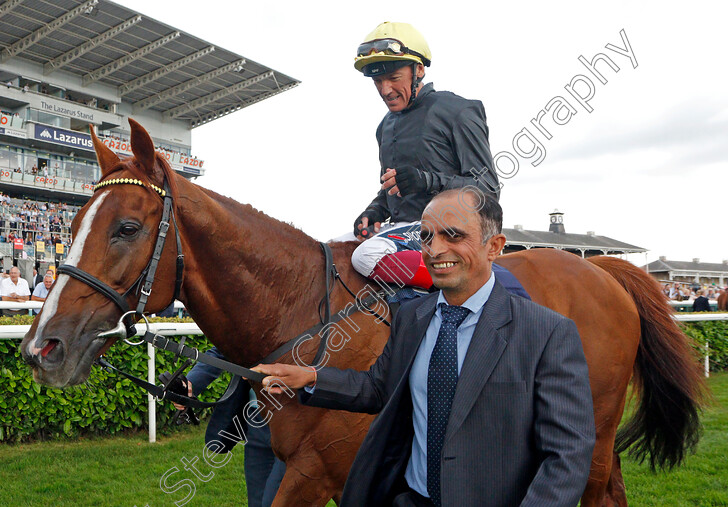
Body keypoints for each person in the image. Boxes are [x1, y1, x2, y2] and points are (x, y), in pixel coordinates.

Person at [255, 189, 595, 506]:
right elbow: (378, 387)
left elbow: (568, 453)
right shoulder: (411, 317)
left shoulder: (549, 333)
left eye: (454, 235)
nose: (434, 249)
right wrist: (311, 376)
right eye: (427, 237)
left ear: (495, 246)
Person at [339, 22, 498, 294]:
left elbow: (489, 189)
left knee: (365, 256)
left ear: (419, 70)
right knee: (331, 250)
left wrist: (427, 181)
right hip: (403, 228)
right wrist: (376, 210)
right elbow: (393, 185)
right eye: (378, 81)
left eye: (394, 78)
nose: (385, 90)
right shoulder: (384, 126)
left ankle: (462, 288)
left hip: (447, 227)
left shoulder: (457, 110)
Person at [173, 347, 286, 507]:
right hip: (256, 420)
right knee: (257, 502)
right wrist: (190, 383)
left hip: (299, 423)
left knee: (277, 501)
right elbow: (224, 348)